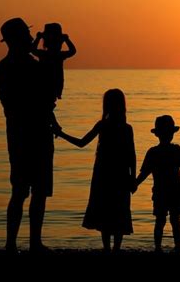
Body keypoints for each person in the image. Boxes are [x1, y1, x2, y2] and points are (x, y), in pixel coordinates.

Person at [0, 17, 56, 254]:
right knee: (30, 191)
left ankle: (18, 244)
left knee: (24, 190)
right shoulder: (25, 66)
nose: (32, 38)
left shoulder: (4, 68)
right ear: (18, 39)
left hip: (21, 135)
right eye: (27, 35)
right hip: (31, 135)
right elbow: (46, 94)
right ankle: (29, 243)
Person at [55, 89, 136, 253]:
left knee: (105, 210)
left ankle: (107, 249)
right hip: (120, 174)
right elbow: (131, 156)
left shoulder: (103, 125)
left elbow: (81, 143)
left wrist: (61, 134)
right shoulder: (126, 128)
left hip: (103, 174)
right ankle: (116, 249)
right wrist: (132, 177)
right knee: (119, 210)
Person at [135, 115, 180, 253]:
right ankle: (177, 247)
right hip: (175, 190)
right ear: (172, 133)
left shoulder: (153, 152)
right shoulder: (176, 149)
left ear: (157, 134)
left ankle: (157, 248)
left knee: (160, 221)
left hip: (160, 191)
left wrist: (135, 184)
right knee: (175, 220)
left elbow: (145, 173)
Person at [32, 22, 76, 100]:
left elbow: (32, 50)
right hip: (54, 86)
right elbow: (73, 51)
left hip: (43, 85)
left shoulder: (43, 54)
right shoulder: (59, 55)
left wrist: (38, 38)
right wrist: (67, 39)